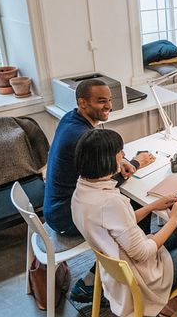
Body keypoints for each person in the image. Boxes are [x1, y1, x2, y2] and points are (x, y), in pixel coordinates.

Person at [71, 129, 177, 317]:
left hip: (120, 269)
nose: (124, 156)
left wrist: (152, 207)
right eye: (120, 152)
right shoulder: (109, 202)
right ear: (106, 160)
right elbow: (142, 253)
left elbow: (118, 226)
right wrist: (173, 220)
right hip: (143, 279)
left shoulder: (82, 191)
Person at [44, 79, 155, 301]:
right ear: (82, 103)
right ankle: (103, 279)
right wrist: (135, 162)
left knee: (125, 208)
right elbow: (106, 183)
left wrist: (117, 160)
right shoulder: (79, 136)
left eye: (110, 100)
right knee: (133, 208)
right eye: (101, 101)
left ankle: (119, 266)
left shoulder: (70, 119)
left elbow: (95, 173)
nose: (109, 106)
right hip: (68, 216)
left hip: (56, 206)